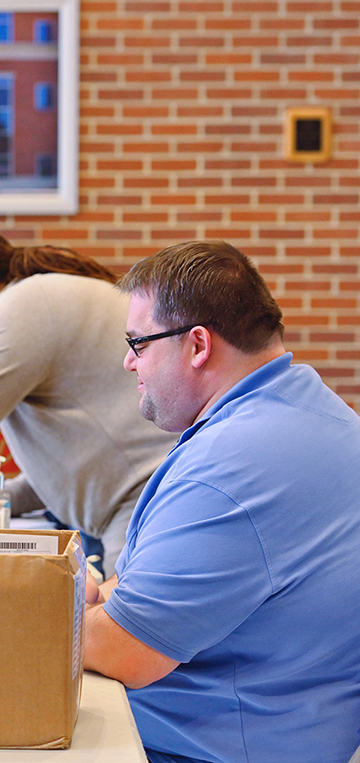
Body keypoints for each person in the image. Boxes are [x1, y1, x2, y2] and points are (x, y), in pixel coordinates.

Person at [84, 240, 360, 762]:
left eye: (137, 343)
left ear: (197, 346)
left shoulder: (232, 467)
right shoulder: (321, 414)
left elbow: (125, 651)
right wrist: (98, 598)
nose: (127, 362)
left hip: (206, 748)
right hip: (292, 726)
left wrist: (47, 607)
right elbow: (163, 582)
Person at [0, 223, 175, 578]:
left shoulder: (19, 307)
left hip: (143, 503)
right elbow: (69, 460)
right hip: (145, 497)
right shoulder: (38, 296)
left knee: (115, 630)